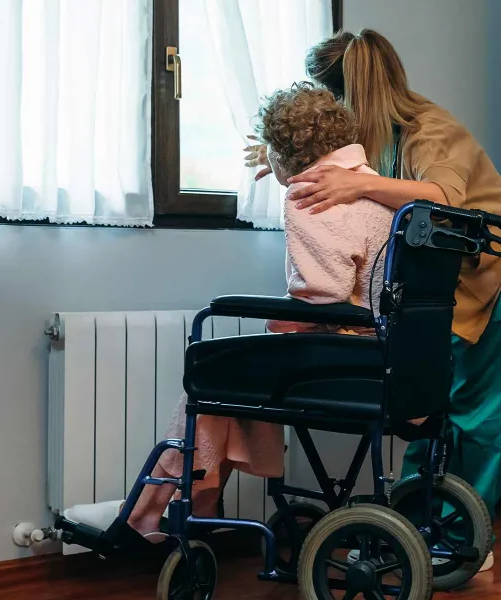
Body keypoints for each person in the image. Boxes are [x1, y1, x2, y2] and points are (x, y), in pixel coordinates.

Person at [245, 29, 501, 571]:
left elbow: (446, 196)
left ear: (348, 91)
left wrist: (357, 187)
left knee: (476, 417)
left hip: (495, 275)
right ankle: (414, 523)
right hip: (437, 287)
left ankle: (462, 545)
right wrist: (290, 160)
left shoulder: (428, 130)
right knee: (423, 402)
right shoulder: (375, 137)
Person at [64, 82, 396, 538]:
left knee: (211, 372)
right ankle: (195, 502)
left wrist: (278, 317)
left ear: (283, 153)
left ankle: (157, 507)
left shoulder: (309, 196)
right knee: (236, 378)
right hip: (386, 359)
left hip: (339, 358)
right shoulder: (377, 191)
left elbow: (326, 293)